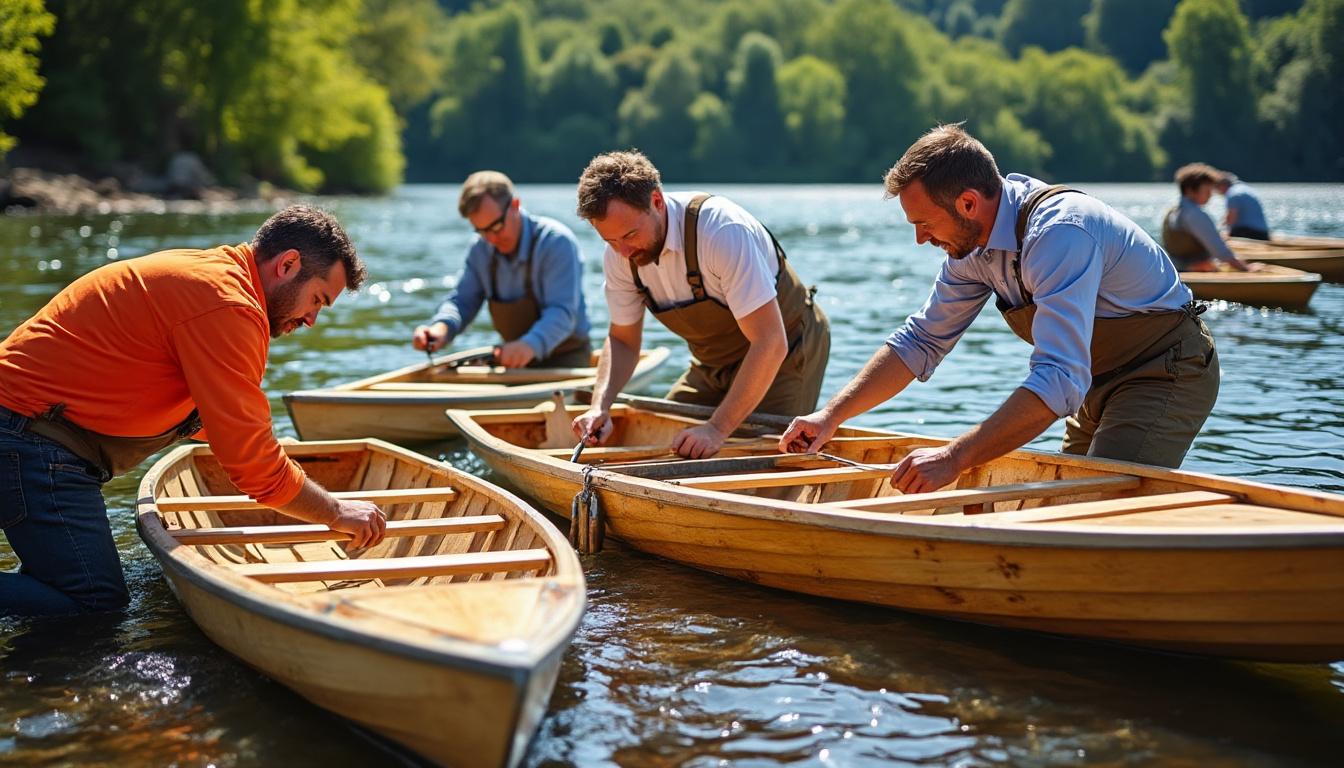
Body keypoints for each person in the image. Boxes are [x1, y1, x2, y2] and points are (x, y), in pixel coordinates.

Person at [780, 124, 1220, 493]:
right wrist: (830, 416)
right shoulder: (969, 248)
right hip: (1094, 383)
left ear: (968, 203)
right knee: (1063, 506)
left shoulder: (1061, 234)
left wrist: (955, 457)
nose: (920, 239)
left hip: (1163, 371)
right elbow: (921, 341)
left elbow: (1059, 377)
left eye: (924, 224)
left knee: (1095, 507)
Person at [0, 205, 387, 616]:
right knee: (94, 601)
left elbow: (208, 418)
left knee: (65, 587)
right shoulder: (230, 306)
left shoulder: (216, 280)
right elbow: (251, 467)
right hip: (29, 439)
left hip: (24, 431)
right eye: (317, 300)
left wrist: (264, 446)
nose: (311, 320)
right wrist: (335, 511)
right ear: (288, 265)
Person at [570, 150, 831, 459]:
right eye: (610, 241)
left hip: (786, 350)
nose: (623, 251)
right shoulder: (619, 254)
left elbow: (770, 342)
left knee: (757, 457)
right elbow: (623, 341)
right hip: (712, 364)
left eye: (630, 234)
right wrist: (600, 406)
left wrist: (716, 429)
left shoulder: (722, 231)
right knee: (666, 442)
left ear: (656, 201)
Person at [412, 171, 592, 368]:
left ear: (515, 205)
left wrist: (529, 346)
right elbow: (462, 301)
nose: (491, 239)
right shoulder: (480, 250)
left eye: (496, 227)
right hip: (513, 361)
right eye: (481, 231)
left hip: (567, 358)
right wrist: (441, 329)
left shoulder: (556, 243)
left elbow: (562, 313)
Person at [1161, 163, 1258, 272]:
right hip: (1191, 268)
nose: (1210, 195)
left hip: (1176, 266)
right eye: (1207, 191)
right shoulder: (1194, 214)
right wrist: (1246, 268)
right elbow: (1220, 251)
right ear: (1190, 190)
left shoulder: (1174, 210)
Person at [1215, 172, 1270, 241]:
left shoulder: (1232, 194)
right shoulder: (1244, 189)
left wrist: (1222, 234)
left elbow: (1232, 218)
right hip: (1263, 233)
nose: (1217, 192)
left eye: (1217, 188)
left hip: (1250, 233)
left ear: (1222, 186)